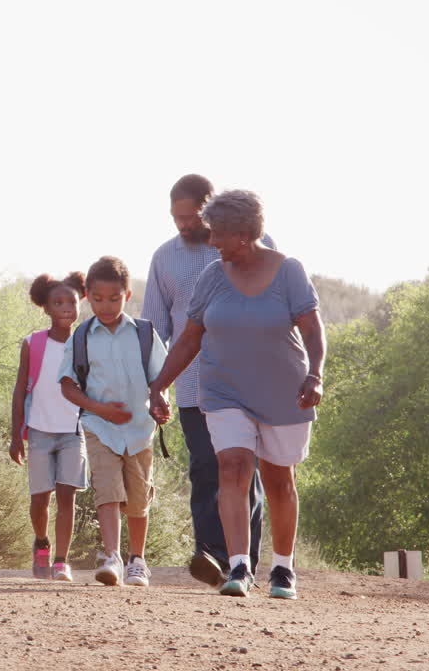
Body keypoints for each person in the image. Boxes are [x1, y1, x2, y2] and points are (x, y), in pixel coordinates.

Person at [149, 189, 324, 600]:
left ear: (244, 235)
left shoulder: (289, 272)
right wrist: (158, 384)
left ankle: (283, 569)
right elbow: (190, 339)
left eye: (220, 236)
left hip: (284, 390)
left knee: (279, 480)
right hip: (223, 387)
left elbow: (314, 330)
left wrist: (315, 375)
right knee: (231, 467)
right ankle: (239, 566)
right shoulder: (213, 276)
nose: (212, 242)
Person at [141, 174, 272, 587]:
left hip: (245, 382)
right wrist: (152, 384)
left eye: (190, 216)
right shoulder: (164, 257)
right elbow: (155, 328)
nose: (182, 224)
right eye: (175, 217)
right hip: (192, 382)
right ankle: (212, 555)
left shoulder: (256, 250)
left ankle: (244, 561)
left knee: (242, 469)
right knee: (205, 467)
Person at [59, 256, 171, 587]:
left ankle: (137, 559)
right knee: (106, 490)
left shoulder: (144, 334)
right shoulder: (80, 337)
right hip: (98, 427)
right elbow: (67, 384)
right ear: (87, 297)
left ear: (127, 295)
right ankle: (112, 556)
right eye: (97, 299)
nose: (105, 306)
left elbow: (160, 378)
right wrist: (99, 409)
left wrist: (161, 401)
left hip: (138, 430)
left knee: (137, 499)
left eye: (113, 298)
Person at [9, 272, 89, 582]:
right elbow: (20, 391)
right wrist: (17, 436)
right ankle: (41, 542)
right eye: (58, 303)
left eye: (71, 301)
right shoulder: (33, 343)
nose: (67, 308)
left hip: (74, 432)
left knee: (67, 496)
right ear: (46, 308)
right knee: (40, 498)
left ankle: (60, 561)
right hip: (40, 431)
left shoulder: (85, 342)